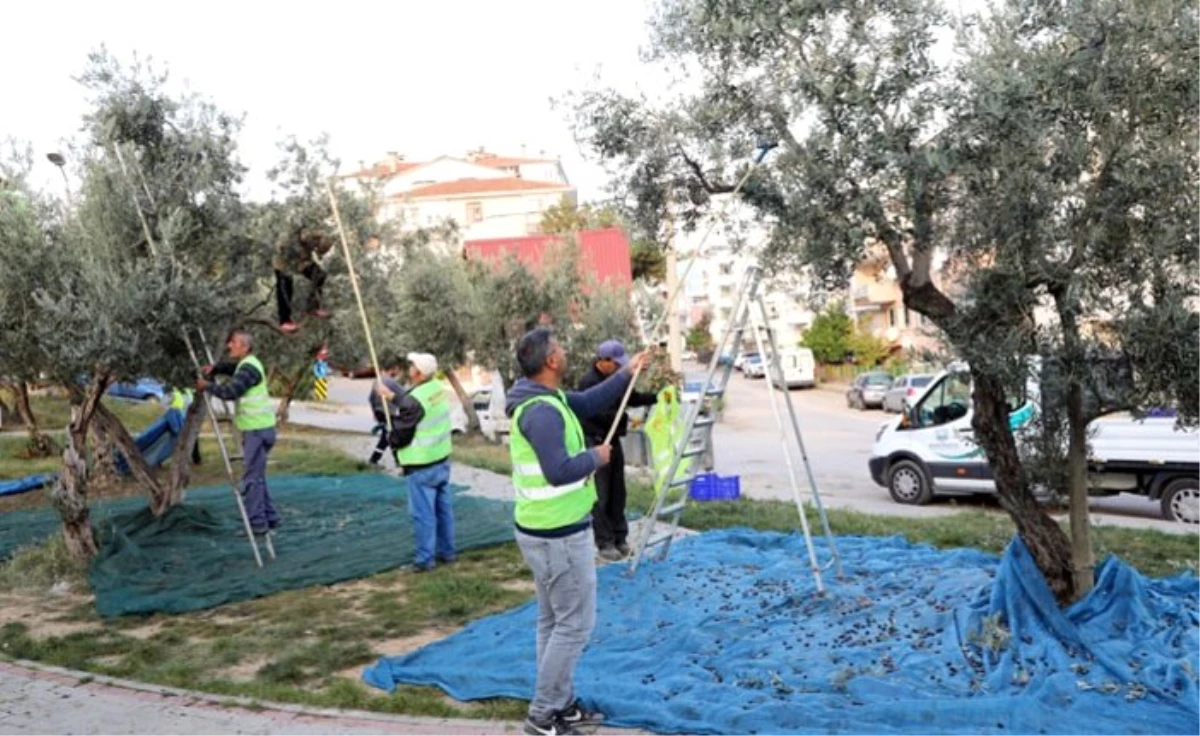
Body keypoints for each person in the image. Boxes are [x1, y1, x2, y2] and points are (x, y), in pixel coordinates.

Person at [505, 327, 651, 736]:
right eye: (560, 347)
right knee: (574, 625)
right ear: (550, 360)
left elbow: (588, 401)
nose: (566, 350)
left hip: (548, 531)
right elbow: (557, 472)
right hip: (557, 536)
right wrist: (595, 457)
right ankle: (542, 716)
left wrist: (628, 373)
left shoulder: (546, 398)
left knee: (554, 623)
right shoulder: (541, 412)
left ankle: (561, 704)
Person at [576, 340, 658, 562]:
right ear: (604, 362)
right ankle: (604, 542)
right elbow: (591, 413)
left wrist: (658, 396)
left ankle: (620, 537)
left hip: (614, 442)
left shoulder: (617, 379)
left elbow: (632, 398)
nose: (620, 367)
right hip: (596, 442)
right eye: (617, 363)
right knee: (600, 495)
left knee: (617, 492)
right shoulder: (588, 382)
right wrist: (622, 419)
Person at [195, 330, 280, 534]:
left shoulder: (249, 369)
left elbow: (230, 392)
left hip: (256, 431)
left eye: (233, 343)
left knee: (251, 478)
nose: (229, 346)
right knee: (257, 475)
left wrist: (207, 385)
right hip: (262, 428)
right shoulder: (249, 364)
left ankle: (257, 525)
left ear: (244, 346)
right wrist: (215, 369)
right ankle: (271, 517)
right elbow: (233, 369)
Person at [378, 352, 456, 572]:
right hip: (441, 460)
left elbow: (403, 430)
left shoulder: (416, 400)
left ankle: (425, 560)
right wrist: (392, 396)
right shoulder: (437, 389)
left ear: (419, 373)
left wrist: (390, 438)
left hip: (421, 465)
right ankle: (447, 553)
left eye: (412, 366)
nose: (409, 368)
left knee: (424, 515)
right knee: (443, 511)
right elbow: (413, 403)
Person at [273, 226, 333, 333]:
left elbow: (316, 251)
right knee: (286, 287)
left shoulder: (319, 234)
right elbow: (300, 239)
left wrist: (316, 253)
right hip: (284, 261)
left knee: (319, 275)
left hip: (302, 260)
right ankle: (284, 320)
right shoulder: (302, 234)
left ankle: (313, 306)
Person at [367, 362, 406, 467]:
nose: (398, 372)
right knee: (391, 436)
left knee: (387, 436)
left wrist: (374, 412)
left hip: (379, 412)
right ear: (393, 369)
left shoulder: (376, 381)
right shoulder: (391, 382)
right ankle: (397, 461)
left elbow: (370, 399)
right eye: (397, 370)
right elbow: (404, 396)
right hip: (388, 413)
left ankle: (378, 459)